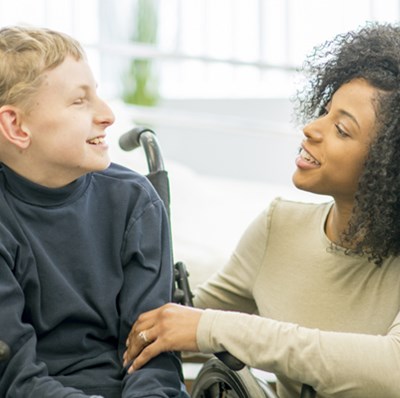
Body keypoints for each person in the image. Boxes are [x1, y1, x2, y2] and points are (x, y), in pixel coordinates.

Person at [123, 22, 400, 398]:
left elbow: (391, 369)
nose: (311, 129)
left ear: (389, 165)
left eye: (342, 129)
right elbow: (183, 322)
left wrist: (216, 328)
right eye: (325, 111)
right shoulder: (278, 227)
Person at [0, 26, 189, 398]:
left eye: (97, 95)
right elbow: (14, 376)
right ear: (16, 126)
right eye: (79, 101)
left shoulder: (135, 201)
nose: (107, 115)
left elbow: (154, 356)